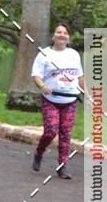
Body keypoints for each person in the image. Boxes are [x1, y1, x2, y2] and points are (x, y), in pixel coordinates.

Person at [31, 22, 86, 179]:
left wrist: (87, 94)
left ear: (69, 37)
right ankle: (39, 152)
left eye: (65, 33)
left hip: (70, 101)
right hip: (51, 100)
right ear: (53, 35)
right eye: (59, 32)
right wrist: (43, 86)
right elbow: (36, 75)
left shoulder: (74, 55)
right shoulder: (44, 54)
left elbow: (80, 77)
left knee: (65, 135)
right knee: (50, 131)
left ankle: (62, 167)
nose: (62, 35)